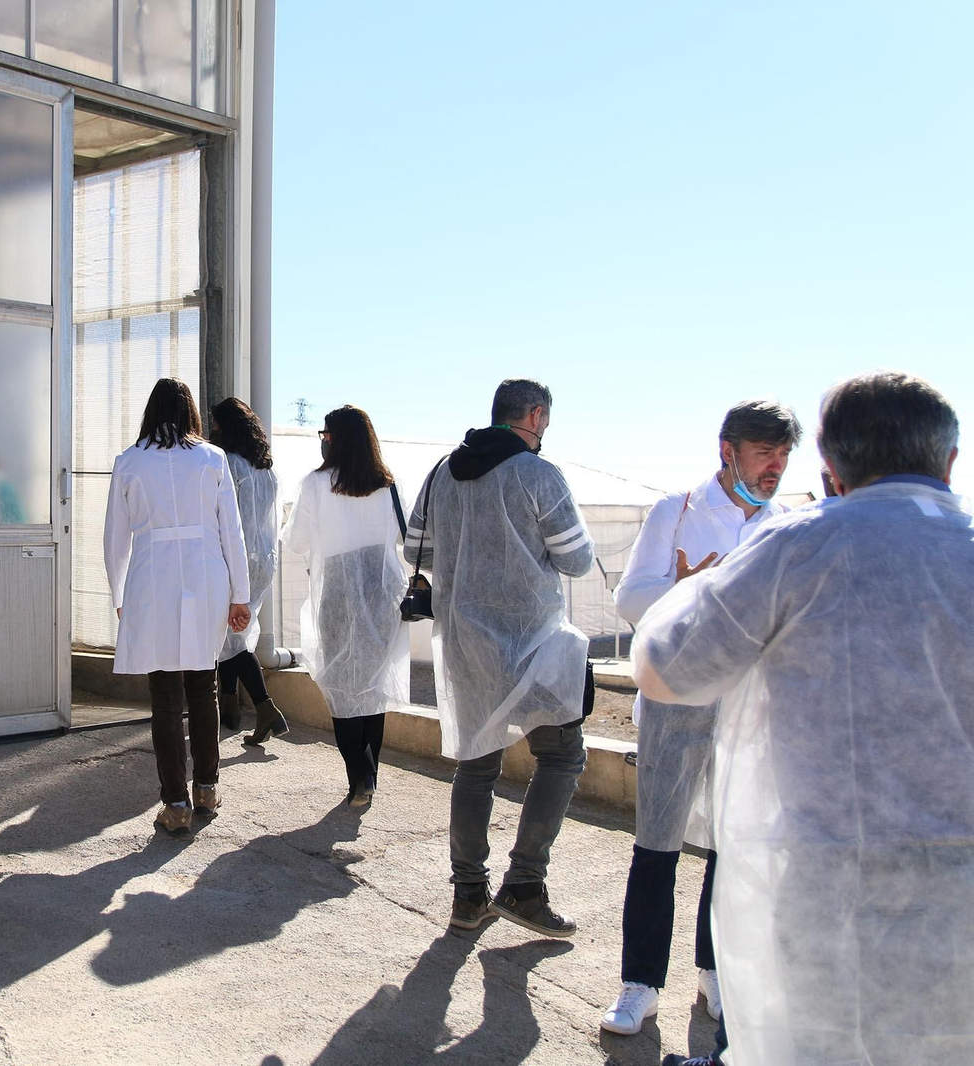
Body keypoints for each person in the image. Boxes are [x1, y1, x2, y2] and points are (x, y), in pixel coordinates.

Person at [635, 370, 971, 1066]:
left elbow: (663, 667)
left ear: (830, 466)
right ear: (949, 461)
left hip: (828, 883)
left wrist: (701, 587)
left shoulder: (795, 547)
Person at [600, 400, 801, 1038]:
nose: (774, 467)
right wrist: (684, 591)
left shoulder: (785, 525)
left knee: (732, 843)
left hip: (748, 709)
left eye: (782, 455)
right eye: (763, 453)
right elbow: (629, 597)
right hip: (677, 700)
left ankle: (716, 971)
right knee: (657, 844)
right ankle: (640, 983)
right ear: (727, 450)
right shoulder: (677, 511)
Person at [406, 378, 593, 937]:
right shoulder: (539, 473)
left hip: (465, 640)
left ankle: (468, 896)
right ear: (535, 415)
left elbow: (416, 545)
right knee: (561, 755)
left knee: (478, 762)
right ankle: (525, 886)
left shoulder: (442, 471)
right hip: (531, 638)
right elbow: (578, 560)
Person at [104, 378, 252, 834]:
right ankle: (207, 786)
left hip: (152, 579)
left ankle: (175, 803)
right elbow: (233, 530)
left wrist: (119, 595)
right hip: (207, 576)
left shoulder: (129, 462)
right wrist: (240, 593)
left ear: (151, 410)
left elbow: (114, 538)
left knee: (165, 696)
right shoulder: (212, 458)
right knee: (202, 686)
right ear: (190, 411)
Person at [283, 405, 410, 806]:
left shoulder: (316, 484)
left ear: (334, 439)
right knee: (372, 686)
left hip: (337, 589)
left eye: (325, 435)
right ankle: (368, 775)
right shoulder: (389, 484)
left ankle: (359, 774)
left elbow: (297, 542)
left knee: (340, 684)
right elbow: (405, 538)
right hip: (383, 590)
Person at [207, 397, 289, 744]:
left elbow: (222, 519)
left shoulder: (227, 464)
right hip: (264, 560)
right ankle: (230, 709)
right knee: (232, 632)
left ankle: (266, 708)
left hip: (235, 559)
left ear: (224, 428)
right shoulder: (266, 471)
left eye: (214, 424)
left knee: (230, 635)